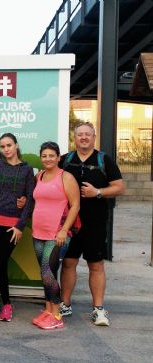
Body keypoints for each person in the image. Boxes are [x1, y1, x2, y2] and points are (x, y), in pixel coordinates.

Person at [59, 123, 124, 326]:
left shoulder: (104, 159)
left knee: (96, 265)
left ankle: (98, 309)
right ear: (75, 138)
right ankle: (65, 304)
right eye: (80, 134)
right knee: (69, 263)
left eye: (88, 134)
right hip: (70, 224)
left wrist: (97, 192)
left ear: (94, 137)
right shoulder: (65, 160)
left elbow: (119, 187)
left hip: (95, 223)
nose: (84, 137)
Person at [0, 133, 35, 322]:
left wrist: (20, 225)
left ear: (16, 145)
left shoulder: (27, 170)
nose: (6, 149)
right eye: (2, 146)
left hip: (13, 225)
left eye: (9, 145)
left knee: (0, 262)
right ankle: (6, 305)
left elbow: (30, 199)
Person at [31, 141, 80, 330]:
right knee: (45, 275)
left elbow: (75, 205)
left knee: (48, 272)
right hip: (38, 232)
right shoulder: (39, 176)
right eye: (44, 156)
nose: (48, 159)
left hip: (58, 234)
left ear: (58, 157)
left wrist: (63, 230)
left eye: (52, 155)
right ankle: (48, 310)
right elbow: (35, 201)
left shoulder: (65, 177)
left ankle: (57, 315)